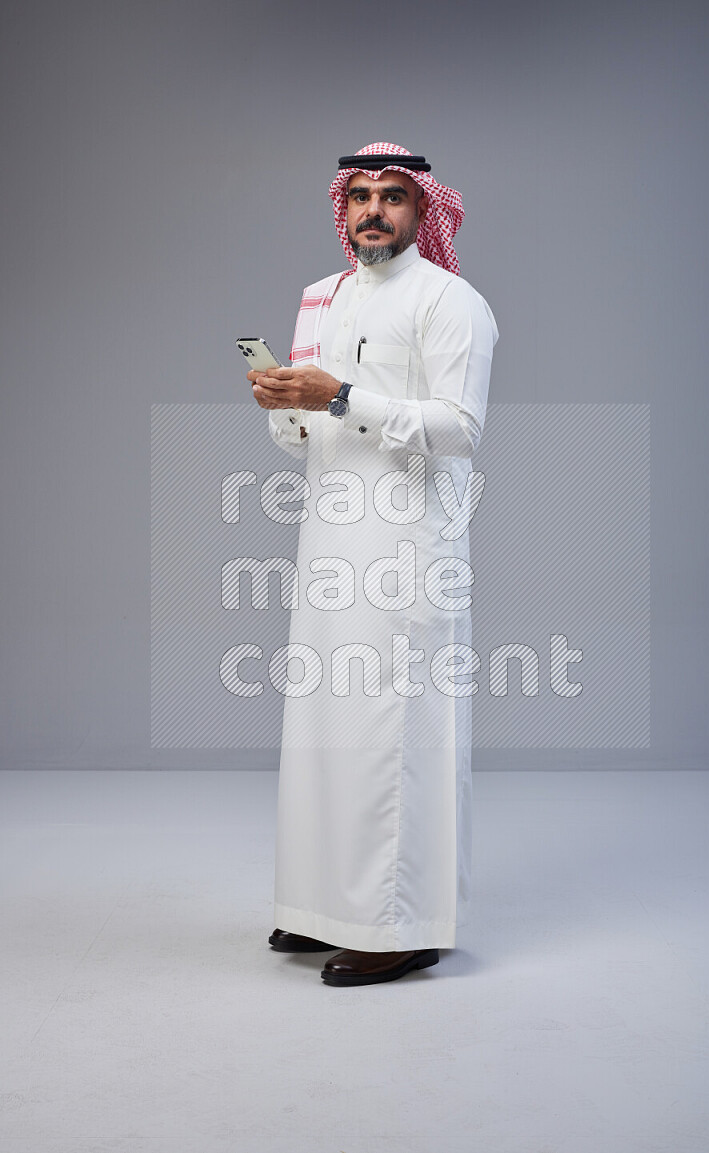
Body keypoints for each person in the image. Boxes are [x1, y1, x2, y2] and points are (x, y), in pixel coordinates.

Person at [247, 142, 498, 987]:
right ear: (342, 206)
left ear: (424, 211)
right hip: (328, 542)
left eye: (393, 196)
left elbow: (462, 427)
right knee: (326, 727)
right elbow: (304, 434)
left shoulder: (450, 300)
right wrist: (283, 403)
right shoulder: (325, 298)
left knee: (393, 731)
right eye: (360, 195)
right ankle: (324, 908)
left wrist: (340, 397)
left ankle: (400, 926)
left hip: (407, 548)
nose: (373, 211)